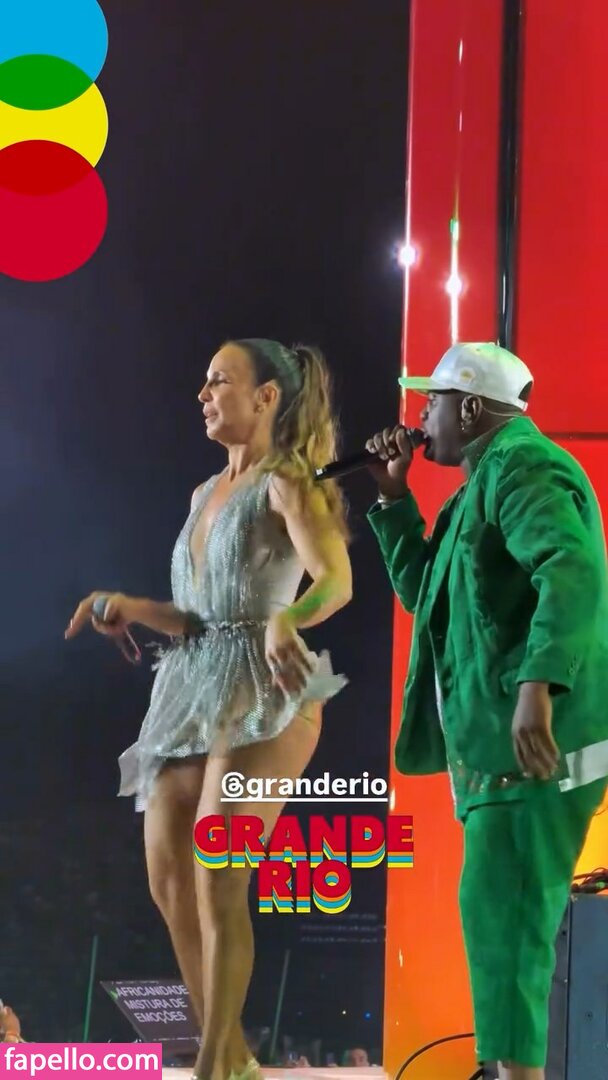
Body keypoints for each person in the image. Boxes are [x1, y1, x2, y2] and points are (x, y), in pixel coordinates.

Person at [65, 339, 352, 1080]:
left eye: (220, 380)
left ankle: (214, 1066)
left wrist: (291, 619)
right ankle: (234, 1058)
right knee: (168, 877)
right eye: (204, 381)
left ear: (266, 397)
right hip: (193, 687)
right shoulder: (203, 494)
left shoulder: (287, 481)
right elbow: (199, 617)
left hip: (267, 687)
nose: (203, 393)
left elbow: (335, 579)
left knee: (219, 869)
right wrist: (132, 607)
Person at [365, 342, 608, 1080]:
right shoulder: (475, 489)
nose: (421, 418)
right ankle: (505, 1071)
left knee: (511, 922)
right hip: (499, 760)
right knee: (495, 920)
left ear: (470, 408)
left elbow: (570, 567)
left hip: (534, 753)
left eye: (432, 401)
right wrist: (392, 498)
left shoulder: (523, 466)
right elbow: (426, 598)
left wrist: (539, 684)